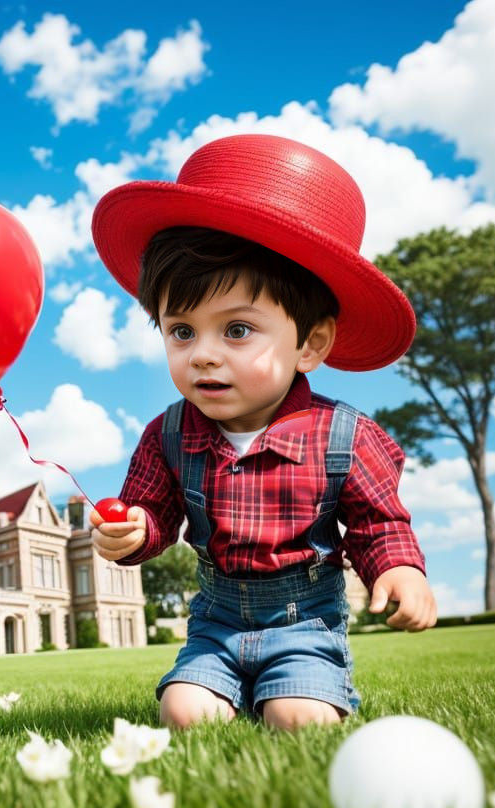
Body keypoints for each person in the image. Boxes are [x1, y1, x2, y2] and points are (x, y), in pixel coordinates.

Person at [88, 134, 436, 732]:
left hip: (305, 619)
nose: (202, 356)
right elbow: (155, 511)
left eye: (238, 330)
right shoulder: (166, 435)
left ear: (311, 343)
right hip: (216, 621)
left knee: (301, 717)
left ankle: (296, 686)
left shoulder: (343, 437)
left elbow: (378, 522)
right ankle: (222, 689)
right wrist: (134, 530)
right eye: (181, 331)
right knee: (183, 713)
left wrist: (398, 570)